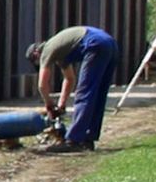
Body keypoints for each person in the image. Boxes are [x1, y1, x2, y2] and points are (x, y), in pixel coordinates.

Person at [27, 23, 119, 152]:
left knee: (84, 93)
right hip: (110, 43)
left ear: (36, 53)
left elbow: (42, 85)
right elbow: (69, 79)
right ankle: (88, 138)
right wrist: (61, 105)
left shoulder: (46, 50)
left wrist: (49, 105)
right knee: (98, 94)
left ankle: (73, 141)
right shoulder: (61, 51)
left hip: (94, 43)